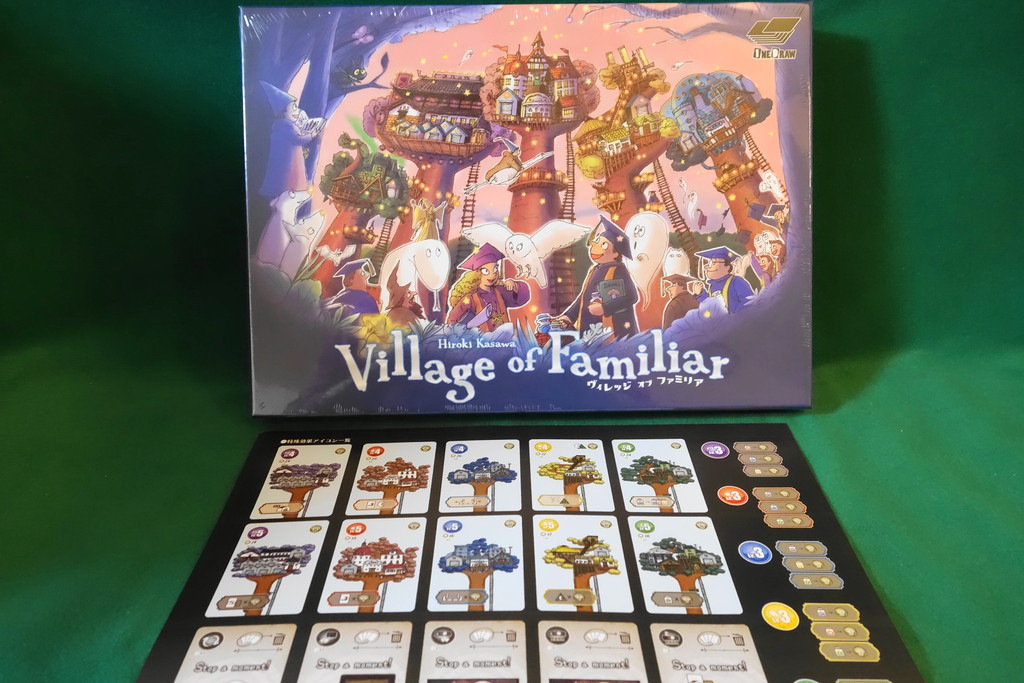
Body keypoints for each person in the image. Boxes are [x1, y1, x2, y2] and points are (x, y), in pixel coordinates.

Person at [554, 216, 639, 339]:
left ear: (615, 253)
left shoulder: (619, 270)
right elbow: (583, 297)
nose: (595, 246)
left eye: (603, 245)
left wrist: (605, 308)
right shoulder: (594, 270)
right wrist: (569, 316)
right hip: (589, 330)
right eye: (597, 241)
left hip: (614, 332)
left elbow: (632, 297)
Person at [446, 243, 530, 331]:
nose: (492, 274)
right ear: (476, 274)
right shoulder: (470, 298)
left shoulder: (499, 291)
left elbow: (521, 299)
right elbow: (452, 319)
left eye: (495, 269)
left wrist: (514, 285)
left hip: (504, 335)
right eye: (486, 271)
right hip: (481, 338)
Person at [689, 246, 754, 314]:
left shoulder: (736, 281)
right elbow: (709, 305)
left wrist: (735, 316)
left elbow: (749, 300)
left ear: (727, 267)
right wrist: (700, 294)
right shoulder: (712, 287)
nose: (707, 267)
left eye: (713, 263)